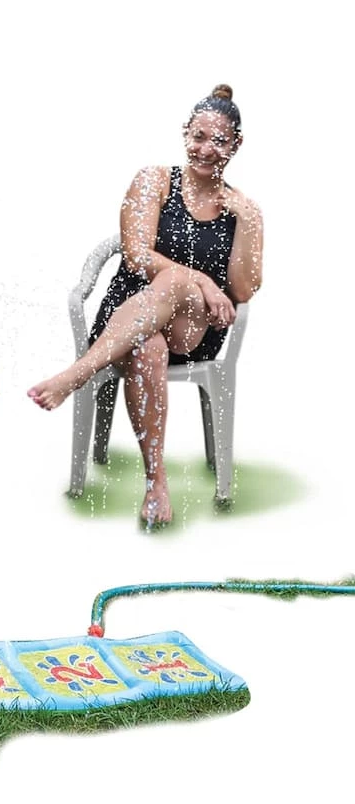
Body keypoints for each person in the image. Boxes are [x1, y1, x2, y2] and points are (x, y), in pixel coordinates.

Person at [28, 85, 264, 527]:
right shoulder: (154, 180)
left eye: (217, 141)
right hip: (129, 315)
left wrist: (246, 221)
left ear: (236, 144)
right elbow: (136, 256)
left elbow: (244, 290)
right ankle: (156, 484)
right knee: (147, 344)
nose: (205, 149)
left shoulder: (243, 210)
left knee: (174, 283)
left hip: (194, 329)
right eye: (197, 137)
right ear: (185, 132)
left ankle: (79, 373)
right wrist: (202, 279)